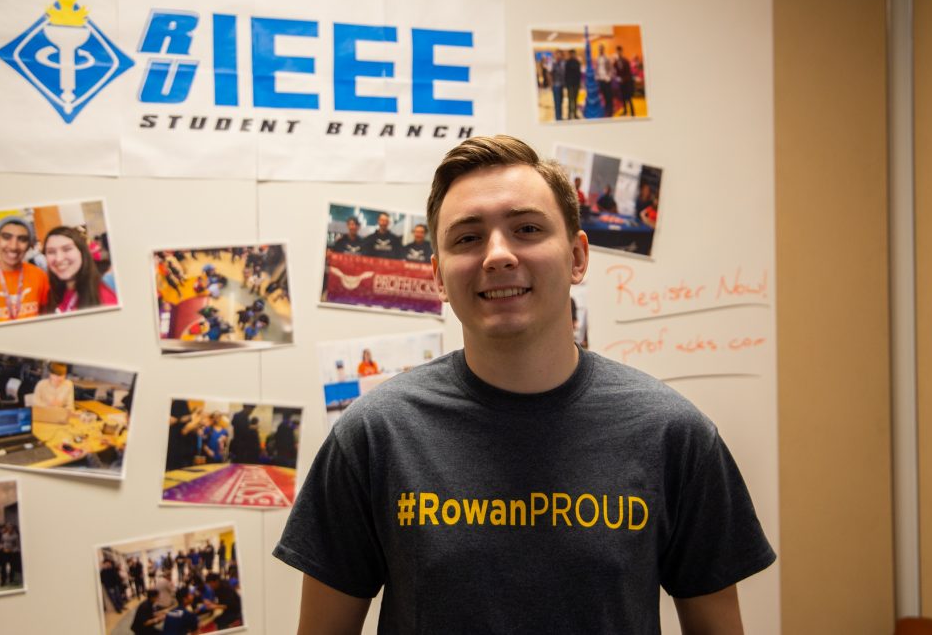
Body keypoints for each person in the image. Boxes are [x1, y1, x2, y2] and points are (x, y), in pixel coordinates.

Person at [274, 135, 775, 633]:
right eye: (467, 238)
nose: (498, 255)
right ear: (439, 278)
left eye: (527, 229)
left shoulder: (674, 434)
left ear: (578, 257)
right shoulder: (375, 436)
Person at [43, 226, 118, 314]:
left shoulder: (104, 298)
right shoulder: (53, 294)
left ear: (82, 252)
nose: (59, 259)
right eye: (51, 252)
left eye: (67, 249)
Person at [614, 44, 636, 117]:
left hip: (627, 82)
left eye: (619, 51)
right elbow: (615, 71)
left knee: (629, 98)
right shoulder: (616, 62)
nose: (618, 53)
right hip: (621, 83)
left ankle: (633, 113)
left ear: (621, 52)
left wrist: (623, 79)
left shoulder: (626, 61)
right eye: (617, 52)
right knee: (623, 97)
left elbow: (628, 73)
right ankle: (625, 111)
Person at [595, 43, 614, 117]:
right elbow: (596, 68)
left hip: (607, 80)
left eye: (601, 49)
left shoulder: (607, 58)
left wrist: (608, 77)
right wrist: (597, 76)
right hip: (600, 80)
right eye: (599, 49)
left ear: (603, 49)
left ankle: (610, 111)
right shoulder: (597, 58)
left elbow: (611, 69)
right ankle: (606, 110)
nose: (600, 50)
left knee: (609, 96)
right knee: (603, 96)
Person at [564, 48, 582, 120]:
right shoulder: (567, 62)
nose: (572, 55)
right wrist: (566, 84)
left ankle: (575, 114)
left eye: (573, 54)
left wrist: (579, 83)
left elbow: (579, 74)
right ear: (570, 54)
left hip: (576, 84)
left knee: (575, 99)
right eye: (571, 54)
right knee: (570, 99)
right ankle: (569, 114)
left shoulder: (577, 62)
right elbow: (566, 74)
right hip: (570, 84)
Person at [550, 49, 566, 120]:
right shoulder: (553, 63)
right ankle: (558, 117)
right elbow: (549, 74)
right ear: (555, 55)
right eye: (557, 54)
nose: (559, 56)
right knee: (557, 102)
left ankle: (560, 116)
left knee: (561, 101)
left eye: (560, 54)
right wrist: (551, 84)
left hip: (562, 85)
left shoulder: (563, 63)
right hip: (556, 85)